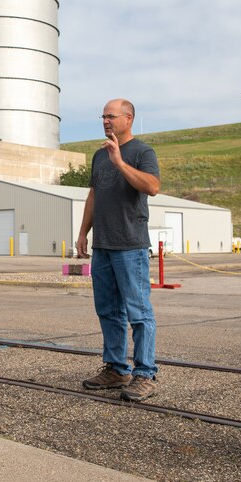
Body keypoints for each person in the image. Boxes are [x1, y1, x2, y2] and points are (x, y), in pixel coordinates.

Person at [75, 99, 162, 402]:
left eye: (111, 116)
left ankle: (145, 374)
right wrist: (83, 232)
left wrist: (120, 163)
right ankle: (115, 368)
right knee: (108, 310)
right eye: (103, 116)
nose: (105, 121)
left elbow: (152, 186)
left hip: (130, 246)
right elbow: (94, 195)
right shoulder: (99, 155)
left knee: (138, 312)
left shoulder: (142, 152)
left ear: (129, 118)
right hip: (103, 246)